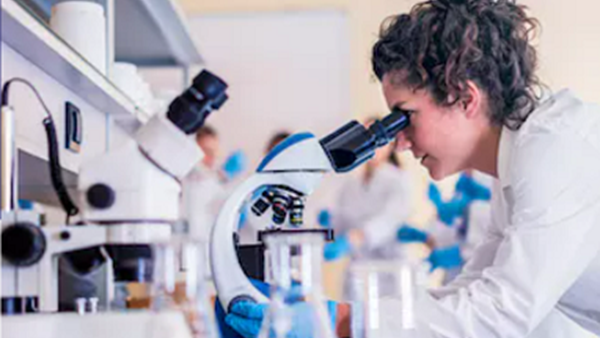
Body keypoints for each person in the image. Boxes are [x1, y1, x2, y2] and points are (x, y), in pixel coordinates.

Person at [225, 0, 600, 337]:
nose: (400, 142)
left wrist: (339, 322)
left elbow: (500, 312)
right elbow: (470, 289)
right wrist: (344, 317)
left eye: (405, 117)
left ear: (465, 97)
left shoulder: (555, 150)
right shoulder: (518, 160)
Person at [318, 116, 413, 262]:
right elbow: (344, 221)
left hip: (388, 267)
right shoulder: (352, 183)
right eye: (365, 139)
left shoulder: (397, 180)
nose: (372, 145)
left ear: (390, 144)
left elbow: (388, 221)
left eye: (377, 140)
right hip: (358, 266)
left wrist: (354, 238)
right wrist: (330, 221)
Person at [399, 170, 493, 284]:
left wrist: (453, 256)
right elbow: (453, 235)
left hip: (480, 282)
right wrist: (425, 237)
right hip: (455, 280)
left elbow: (485, 249)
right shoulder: (464, 200)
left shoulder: (488, 210)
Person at [182, 125, 247, 242]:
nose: (212, 157)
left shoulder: (216, 186)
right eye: (207, 151)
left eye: (214, 152)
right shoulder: (181, 180)